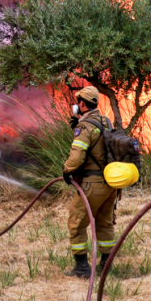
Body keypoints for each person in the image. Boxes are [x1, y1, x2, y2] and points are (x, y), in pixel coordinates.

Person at [61, 86, 119, 278]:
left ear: (83, 104)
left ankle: (82, 268)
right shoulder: (105, 121)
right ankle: (106, 266)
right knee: (105, 223)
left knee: (76, 222)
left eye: (79, 102)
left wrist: (67, 170)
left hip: (92, 184)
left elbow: (77, 157)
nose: (77, 105)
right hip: (110, 183)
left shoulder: (85, 127)